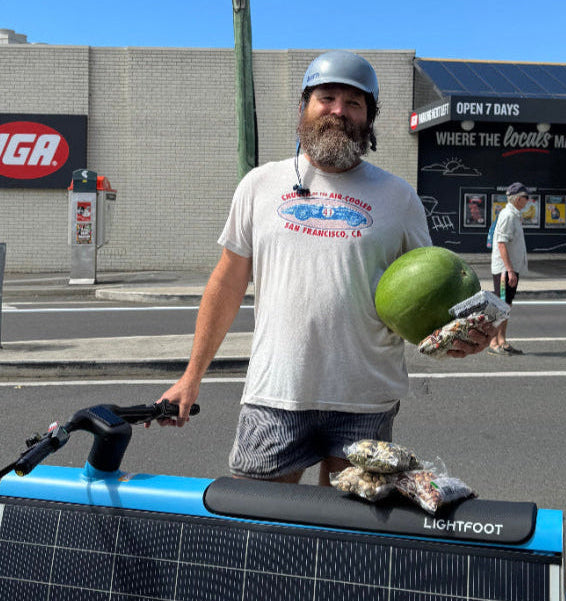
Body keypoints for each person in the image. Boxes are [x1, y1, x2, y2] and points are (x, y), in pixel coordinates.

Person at [150, 50, 495, 486]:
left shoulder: (399, 196)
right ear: (304, 107)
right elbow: (227, 283)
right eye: (326, 98)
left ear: (369, 117)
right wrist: (190, 377)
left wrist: (457, 336)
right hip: (276, 393)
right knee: (262, 529)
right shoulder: (260, 185)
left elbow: (428, 289)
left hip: (366, 400)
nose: (338, 111)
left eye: (354, 103)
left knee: (344, 539)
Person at [488, 182, 529, 355]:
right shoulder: (508, 216)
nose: (528, 201)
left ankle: (502, 340)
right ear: (519, 198)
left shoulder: (514, 215)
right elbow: (501, 244)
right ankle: (493, 342)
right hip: (505, 269)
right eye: (526, 198)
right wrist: (509, 270)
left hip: (510, 268)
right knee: (500, 305)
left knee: (506, 305)